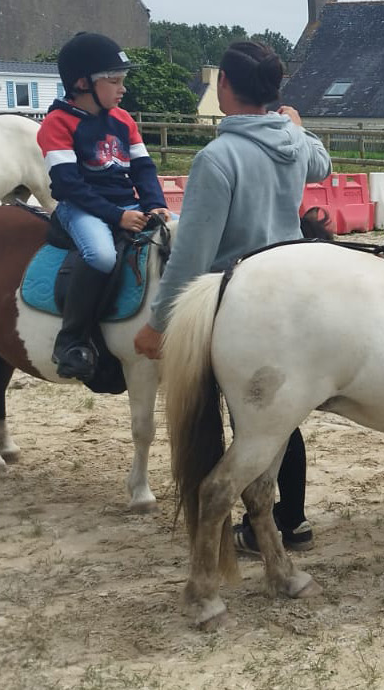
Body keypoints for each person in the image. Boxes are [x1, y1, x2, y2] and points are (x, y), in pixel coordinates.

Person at [132, 40, 332, 552]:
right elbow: (323, 165)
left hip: (236, 303)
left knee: (243, 421)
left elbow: (191, 255)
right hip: (289, 294)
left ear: (223, 84)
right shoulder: (292, 141)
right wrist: (298, 125)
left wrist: (158, 323)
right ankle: (291, 520)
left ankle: (257, 523)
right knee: (280, 414)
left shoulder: (217, 158)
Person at [37, 32, 172, 381]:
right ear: (82, 83)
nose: (122, 89)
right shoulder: (57, 123)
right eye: (114, 81)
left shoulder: (123, 119)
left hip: (126, 203)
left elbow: (143, 169)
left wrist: (156, 205)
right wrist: (117, 216)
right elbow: (68, 184)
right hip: (80, 207)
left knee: (178, 231)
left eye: (122, 80)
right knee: (100, 256)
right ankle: (72, 341)